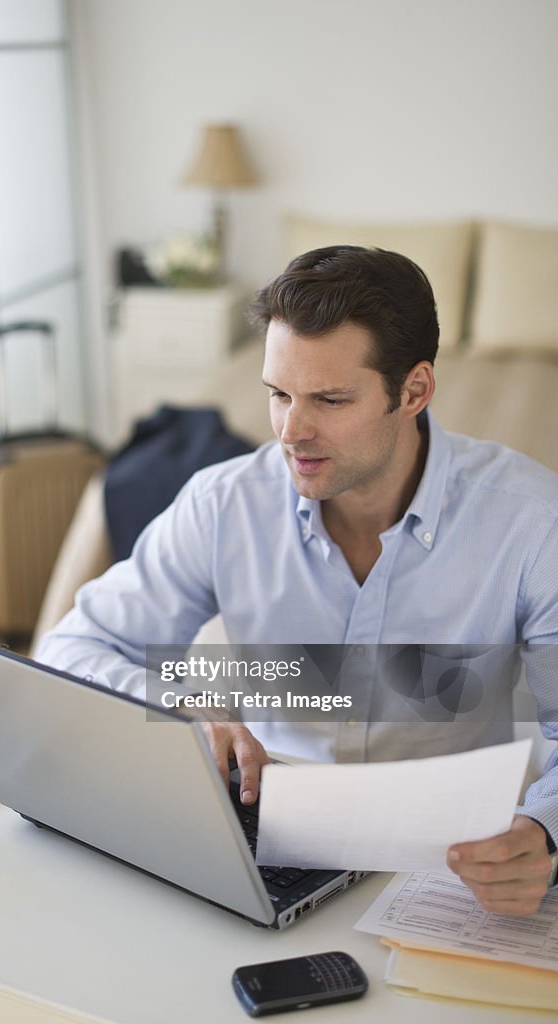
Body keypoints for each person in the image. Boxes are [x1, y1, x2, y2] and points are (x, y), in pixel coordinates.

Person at [36, 245, 558, 916]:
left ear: (414, 391)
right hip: (263, 834)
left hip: (451, 862)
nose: (291, 431)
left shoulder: (532, 520)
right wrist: (180, 706)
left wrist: (545, 834)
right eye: (278, 395)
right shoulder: (223, 503)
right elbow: (70, 648)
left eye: (329, 400)